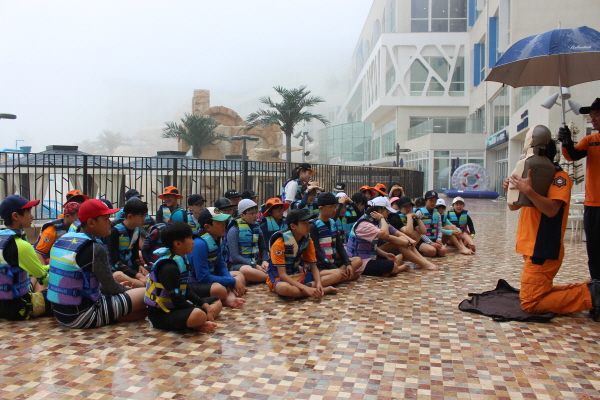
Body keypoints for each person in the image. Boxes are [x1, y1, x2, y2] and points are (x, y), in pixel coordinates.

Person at [503, 138, 600, 320]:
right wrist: (511, 189)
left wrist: (529, 190)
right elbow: (513, 206)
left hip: (543, 248)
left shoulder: (559, 177)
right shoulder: (531, 175)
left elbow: (552, 210)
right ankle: (592, 289)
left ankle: (593, 295)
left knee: (531, 303)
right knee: (540, 293)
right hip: (530, 247)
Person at [48, 199, 147, 329]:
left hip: (60, 314)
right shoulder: (95, 248)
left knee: (135, 305)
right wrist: (127, 291)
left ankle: (118, 313)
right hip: (83, 316)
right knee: (145, 294)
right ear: (91, 223)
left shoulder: (64, 239)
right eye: (106, 219)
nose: (110, 222)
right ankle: (116, 315)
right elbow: (111, 287)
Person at [144, 221, 219, 333]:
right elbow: (177, 300)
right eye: (189, 238)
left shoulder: (181, 259)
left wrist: (203, 304)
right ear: (177, 244)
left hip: (176, 307)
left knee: (216, 301)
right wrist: (199, 309)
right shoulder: (168, 267)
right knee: (199, 313)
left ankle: (199, 321)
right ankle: (198, 322)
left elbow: (186, 290)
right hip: (162, 315)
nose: (193, 241)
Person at [558, 98, 600, 280]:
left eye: (596, 115)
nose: (592, 119)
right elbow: (573, 155)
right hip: (594, 205)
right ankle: (597, 286)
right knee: (595, 250)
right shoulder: (591, 140)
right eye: (591, 116)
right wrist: (566, 142)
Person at [266, 209, 340, 299]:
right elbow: (282, 275)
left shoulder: (308, 240)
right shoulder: (279, 243)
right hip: (282, 280)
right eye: (304, 223)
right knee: (283, 288)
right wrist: (305, 288)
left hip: (299, 275)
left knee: (337, 274)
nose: (308, 226)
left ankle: (307, 291)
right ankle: (318, 291)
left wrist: (319, 283)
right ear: (293, 226)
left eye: (308, 223)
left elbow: (313, 266)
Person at [0, 195, 51, 320]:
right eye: (28, 212)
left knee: (32, 276)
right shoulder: (22, 245)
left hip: (2, 304)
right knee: (63, 295)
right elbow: (45, 279)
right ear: (15, 216)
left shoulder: (2, 239)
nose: (32, 216)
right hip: (18, 309)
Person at [187, 207, 247, 309]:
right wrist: (232, 282)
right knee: (220, 289)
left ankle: (228, 296)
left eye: (223, 221)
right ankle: (227, 298)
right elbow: (203, 277)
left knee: (239, 275)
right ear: (207, 227)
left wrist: (231, 280)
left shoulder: (215, 239)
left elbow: (220, 266)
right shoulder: (199, 244)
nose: (224, 225)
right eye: (219, 222)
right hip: (195, 283)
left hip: (210, 278)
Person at [346, 198, 411, 278]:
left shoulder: (374, 221)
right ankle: (395, 269)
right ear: (379, 210)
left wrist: (385, 254)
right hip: (361, 262)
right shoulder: (365, 224)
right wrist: (382, 218)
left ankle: (388, 270)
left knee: (398, 255)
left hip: (371, 257)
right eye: (386, 211)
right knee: (391, 265)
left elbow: (372, 246)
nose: (388, 214)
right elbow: (385, 235)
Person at [309, 192, 358, 281]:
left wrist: (348, 264)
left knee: (357, 260)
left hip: (334, 263)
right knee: (336, 273)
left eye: (335, 206)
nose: (334, 210)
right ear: (321, 208)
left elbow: (340, 247)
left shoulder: (332, 223)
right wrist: (334, 268)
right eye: (331, 207)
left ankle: (340, 275)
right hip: (321, 266)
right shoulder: (313, 226)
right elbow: (317, 252)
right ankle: (341, 276)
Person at [106, 198, 149, 288]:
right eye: (141, 216)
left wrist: (139, 266)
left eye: (145, 215)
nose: (144, 219)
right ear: (130, 216)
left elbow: (135, 256)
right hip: (115, 269)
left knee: (152, 269)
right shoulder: (114, 231)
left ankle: (143, 285)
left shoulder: (136, 230)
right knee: (119, 276)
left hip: (128, 267)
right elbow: (116, 262)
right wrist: (137, 275)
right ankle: (145, 286)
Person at [223, 199, 269, 283]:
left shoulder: (257, 228)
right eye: (252, 213)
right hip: (237, 265)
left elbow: (263, 248)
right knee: (247, 270)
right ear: (242, 215)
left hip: (255, 263)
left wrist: (264, 261)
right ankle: (271, 278)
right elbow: (235, 256)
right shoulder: (234, 230)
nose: (255, 216)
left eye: (256, 212)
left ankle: (255, 277)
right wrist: (254, 265)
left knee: (271, 265)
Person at [390, 196, 439, 271]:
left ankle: (424, 262)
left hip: (408, 243)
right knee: (405, 241)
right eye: (405, 207)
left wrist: (418, 218)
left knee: (416, 234)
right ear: (399, 208)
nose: (408, 209)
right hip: (394, 245)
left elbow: (423, 231)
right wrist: (409, 217)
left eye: (410, 207)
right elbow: (409, 232)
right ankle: (423, 263)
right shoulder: (395, 217)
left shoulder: (410, 216)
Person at [414, 191, 448, 257]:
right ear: (426, 200)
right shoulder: (419, 212)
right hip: (422, 240)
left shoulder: (437, 213)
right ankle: (420, 249)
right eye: (431, 200)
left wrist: (439, 239)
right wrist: (430, 242)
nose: (433, 203)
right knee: (432, 251)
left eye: (435, 201)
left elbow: (439, 228)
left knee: (443, 251)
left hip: (434, 239)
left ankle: (431, 248)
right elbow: (418, 231)